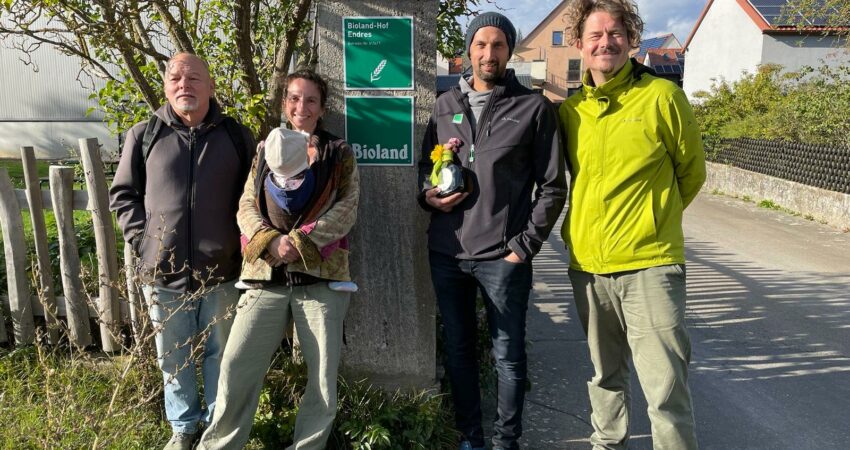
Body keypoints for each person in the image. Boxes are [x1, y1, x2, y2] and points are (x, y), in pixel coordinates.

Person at [417, 12, 568, 450]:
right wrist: (427, 196)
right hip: (447, 253)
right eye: (480, 44)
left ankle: (506, 442)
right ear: (467, 49)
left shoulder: (533, 107)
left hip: (503, 258)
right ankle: (471, 437)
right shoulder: (444, 105)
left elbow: (553, 186)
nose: (488, 53)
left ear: (509, 51)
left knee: (508, 357)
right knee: (460, 352)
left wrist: (523, 249)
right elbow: (427, 172)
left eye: (498, 45)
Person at [559, 1, 706, 448]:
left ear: (631, 39)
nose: (606, 42)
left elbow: (692, 172)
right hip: (589, 265)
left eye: (616, 32)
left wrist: (650, 219)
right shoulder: (571, 111)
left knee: (664, 390)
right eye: (596, 35)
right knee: (605, 377)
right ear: (581, 44)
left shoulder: (662, 97)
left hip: (650, 265)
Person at [197, 68, 360, 450]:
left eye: (310, 100)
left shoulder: (339, 153)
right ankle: (219, 445)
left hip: (320, 281)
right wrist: (271, 241)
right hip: (264, 278)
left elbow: (347, 208)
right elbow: (245, 205)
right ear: (284, 103)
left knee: (322, 379)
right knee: (236, 367)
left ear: (322, 108)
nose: (301, 106)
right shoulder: (263, 149)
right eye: (293, 98)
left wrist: (299, 241)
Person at [110, 52, 255, 450]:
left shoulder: (236, 137)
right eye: (175, 78)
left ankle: (215, 425)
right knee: (172, 358)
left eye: (193, 78)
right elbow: (123, 196)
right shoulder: (144, 135)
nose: (183, 84)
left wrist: (240, 248)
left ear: (210, 86)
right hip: (163, 273)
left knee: (220, 354)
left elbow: (252, 200)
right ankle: (183, 427)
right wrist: (145, 242)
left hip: (220, 271)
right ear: (165, 86)